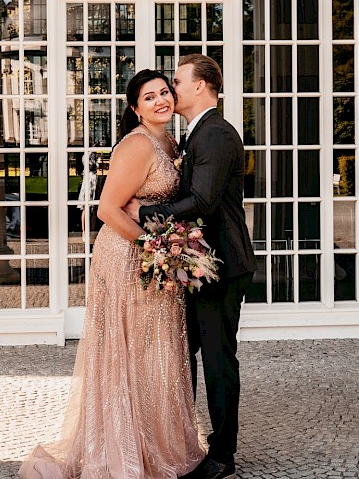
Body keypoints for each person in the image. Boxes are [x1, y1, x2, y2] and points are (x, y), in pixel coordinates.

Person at [19, 70, 204, 479]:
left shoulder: (170, 141)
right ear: (135, 108)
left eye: (164, 92)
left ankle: (155, 440)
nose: (161, 100)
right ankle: (120, 447)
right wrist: (154, 249)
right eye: (149, 97)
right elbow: (106, 210)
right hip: (126, 256)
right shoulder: (137, 145)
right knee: (127, 351)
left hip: (153, 257)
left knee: (154, 350)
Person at [128, 54, 256, 479]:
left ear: (200, 86)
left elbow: (202, 202)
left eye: (177, 82)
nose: (171, 89)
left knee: (219, 360)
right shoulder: (197, 134)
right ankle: (184, 441)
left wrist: (144, 212)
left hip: (219, 265)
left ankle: (222, 455)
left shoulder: (216, 134)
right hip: (197, 264)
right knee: (187, 356)